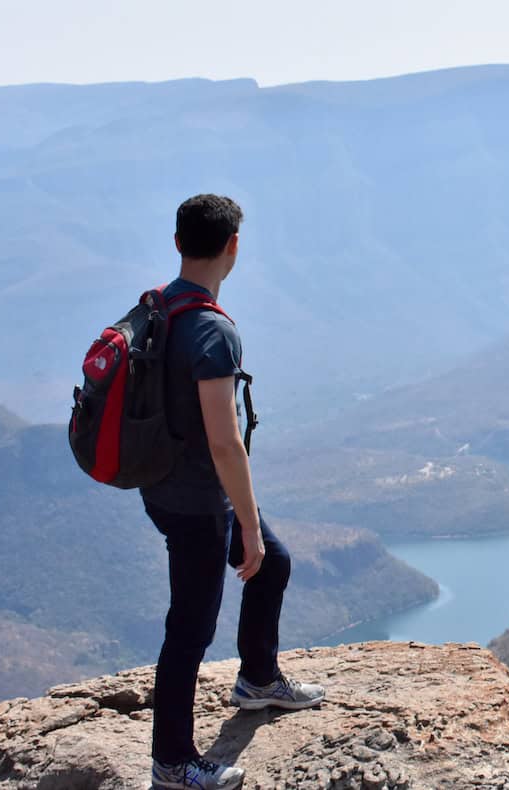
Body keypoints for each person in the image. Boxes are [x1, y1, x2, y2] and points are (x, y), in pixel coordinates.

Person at [141, 194, 324, 790]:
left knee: (274, 564)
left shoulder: (158, 308)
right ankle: (173, 763)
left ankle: (258, 679)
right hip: (198, 499)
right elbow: (226, 442)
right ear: (233, 248)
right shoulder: (213, 332)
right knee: (189, 630)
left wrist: (245, 523)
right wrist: (245, 523)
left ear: (177, 243)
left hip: (166, 486)